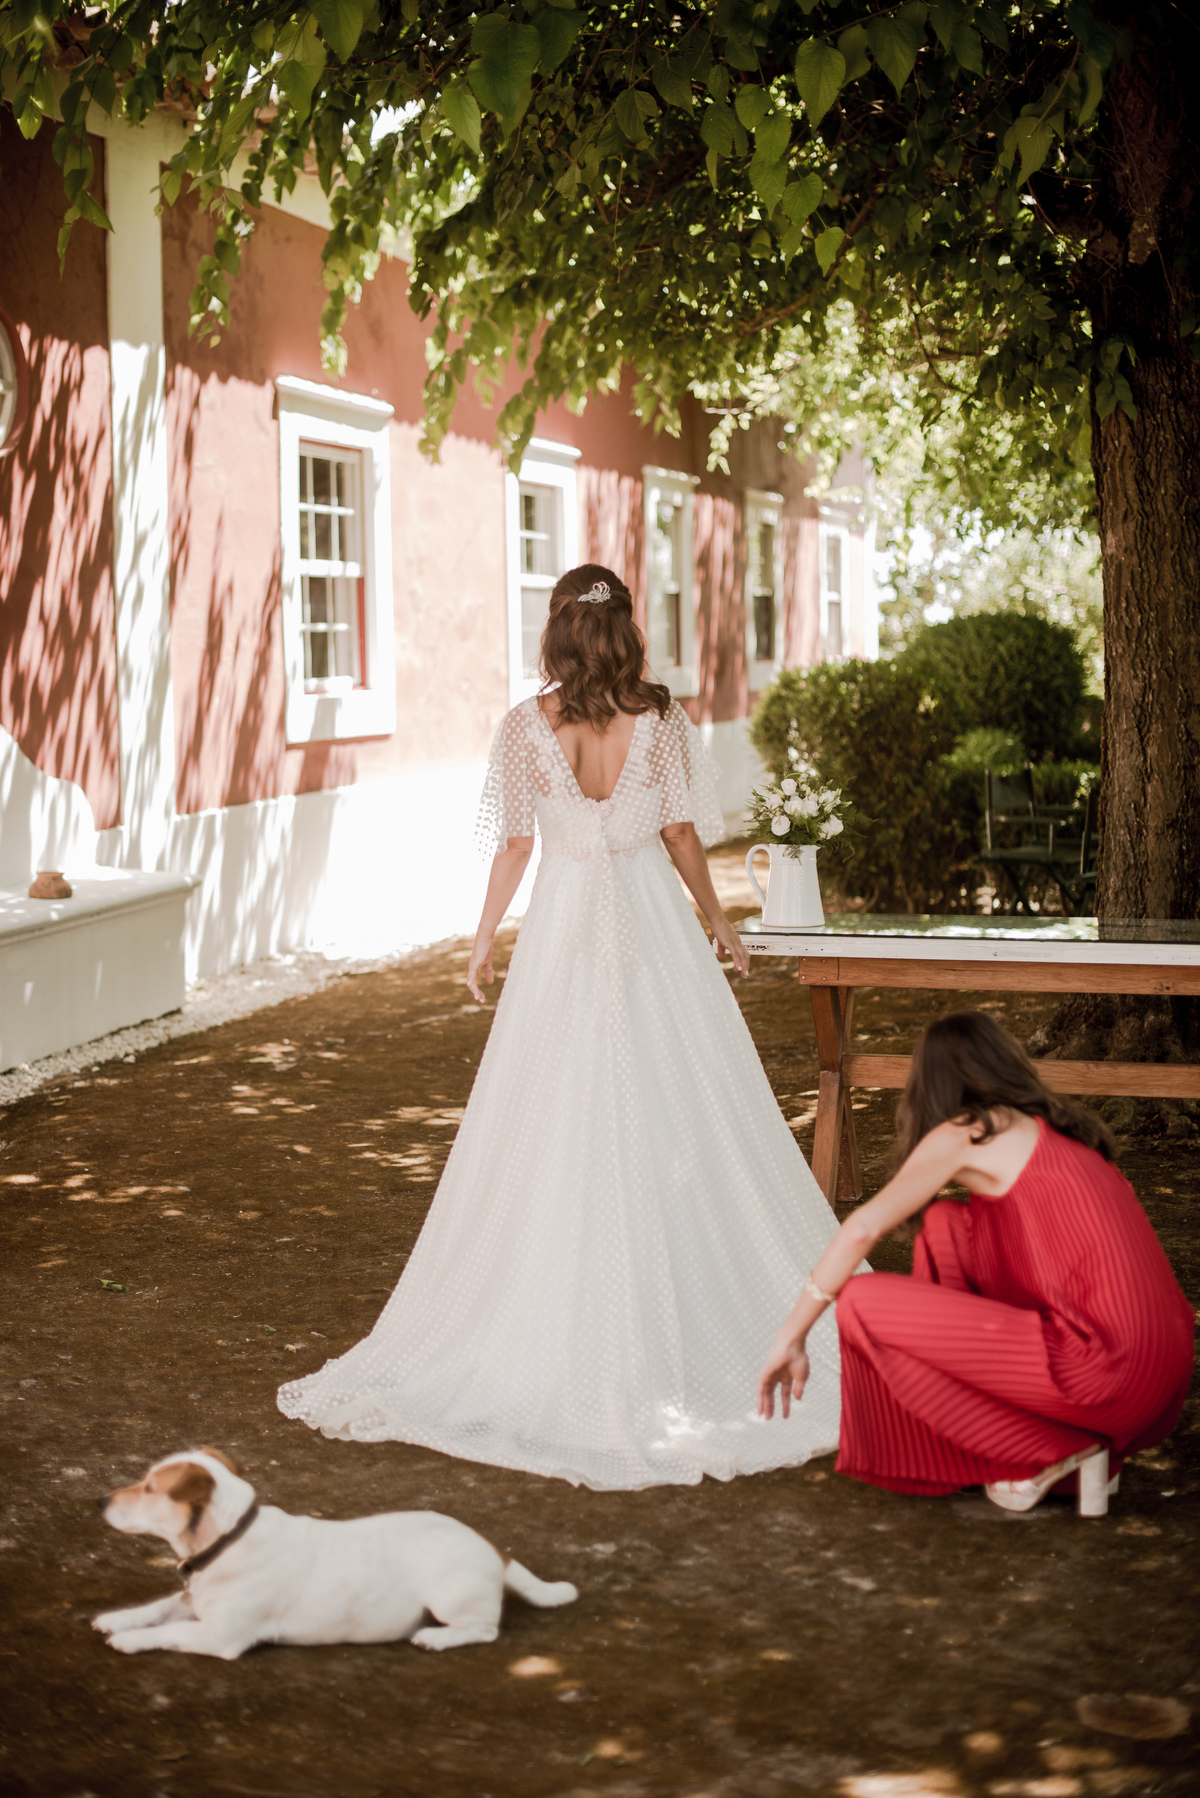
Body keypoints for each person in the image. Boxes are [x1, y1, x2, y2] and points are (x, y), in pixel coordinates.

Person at [279, 564, 844, 1489]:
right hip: (651, 926)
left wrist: (481, 939)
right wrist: (720, 922)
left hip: (562, 934)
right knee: (683, 1100)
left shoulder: (522, 726)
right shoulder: (659, 719)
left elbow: (514, 846)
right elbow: (681, 837)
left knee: (551, 1108)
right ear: (623, 630)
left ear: (557, 632)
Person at [758, 1010, 1194, 1511]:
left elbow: (862, 1228)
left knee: (859, 1301)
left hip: (1106, 1373)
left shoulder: (969, 1130)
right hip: (1160, 1374)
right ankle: (1052, 1442)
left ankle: (1042, 1449)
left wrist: (791, 1335)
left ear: (933, 1086)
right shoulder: (1058, 1130)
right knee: (945, 1222)